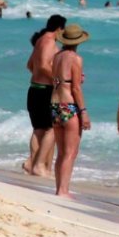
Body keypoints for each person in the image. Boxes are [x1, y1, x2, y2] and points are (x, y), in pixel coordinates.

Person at [50, 23, 91, 197]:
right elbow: (75, 88)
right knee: (71, 152)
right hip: (69, 105)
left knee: (61, 152)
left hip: (55, 105)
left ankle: (59, 188)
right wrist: (84, 111)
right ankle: (63, 191)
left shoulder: (57, 56)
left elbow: (60, 80)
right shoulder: (76, 58)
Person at [24, 14, 66, 176]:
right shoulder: (49, 42)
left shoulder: (40, 41)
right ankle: (39, 165)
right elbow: (42, 65)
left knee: (39, 129)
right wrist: (58, 80)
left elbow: (30, 65)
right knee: (52, 129)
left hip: (35, 88)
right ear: (59, 29)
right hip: (45, 90)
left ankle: (32, 164)